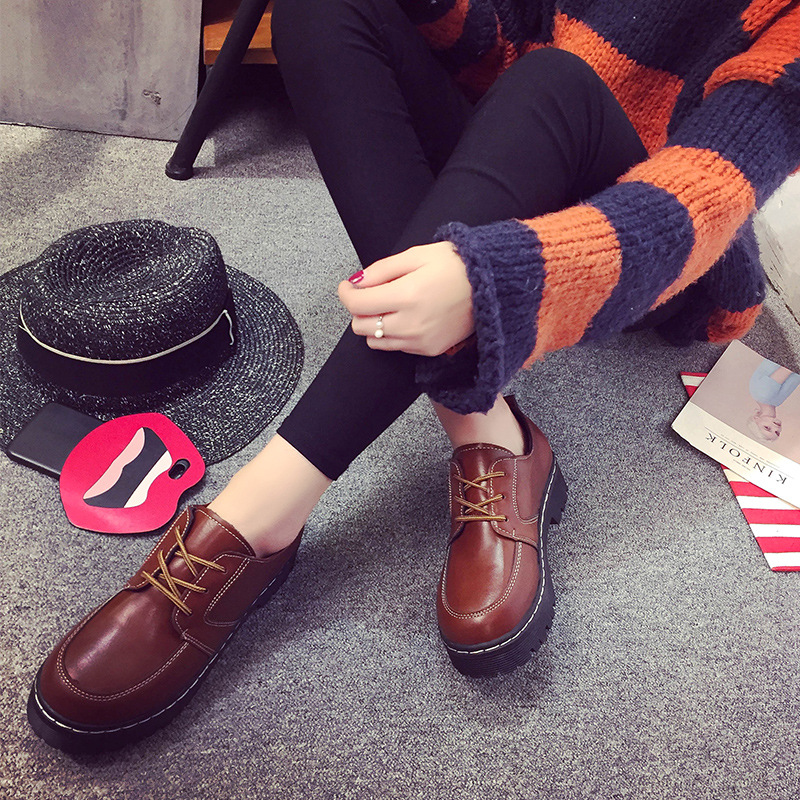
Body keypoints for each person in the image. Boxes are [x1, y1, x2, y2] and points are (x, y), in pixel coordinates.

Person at [27, 0, 800, 752]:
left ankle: (258, 512)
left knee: (557, 82)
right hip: (530, 144)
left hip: (665, 245)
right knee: (320, 10)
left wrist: (503, 276)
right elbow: (505, 40)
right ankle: (488, 426)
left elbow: (705, 200)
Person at [747, 358, 800, 441]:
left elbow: (791, 364)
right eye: (777, 432)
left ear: (756, 418)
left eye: (767, 428)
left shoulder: (764, 395)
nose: (775, 428)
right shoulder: (775, 402)